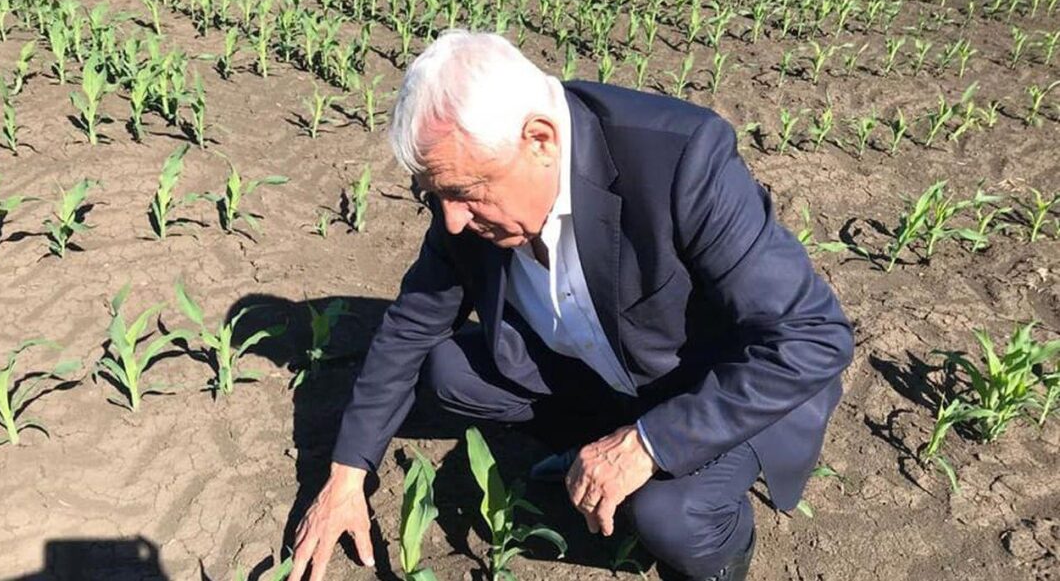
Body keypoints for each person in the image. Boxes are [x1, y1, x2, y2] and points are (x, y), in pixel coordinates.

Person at [288, 29, 854, 581]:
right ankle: (594, 445)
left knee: (671, 516)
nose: (452, 220)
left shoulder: (680, 159)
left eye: (465, 193)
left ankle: (724, 553)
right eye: (435, 195)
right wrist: (346, 476)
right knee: (450, 370)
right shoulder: (469, 186)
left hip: (723, 383)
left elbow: (813, 335)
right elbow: (411, 327)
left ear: (540, 140)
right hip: (613, 368)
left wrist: (648, 443)